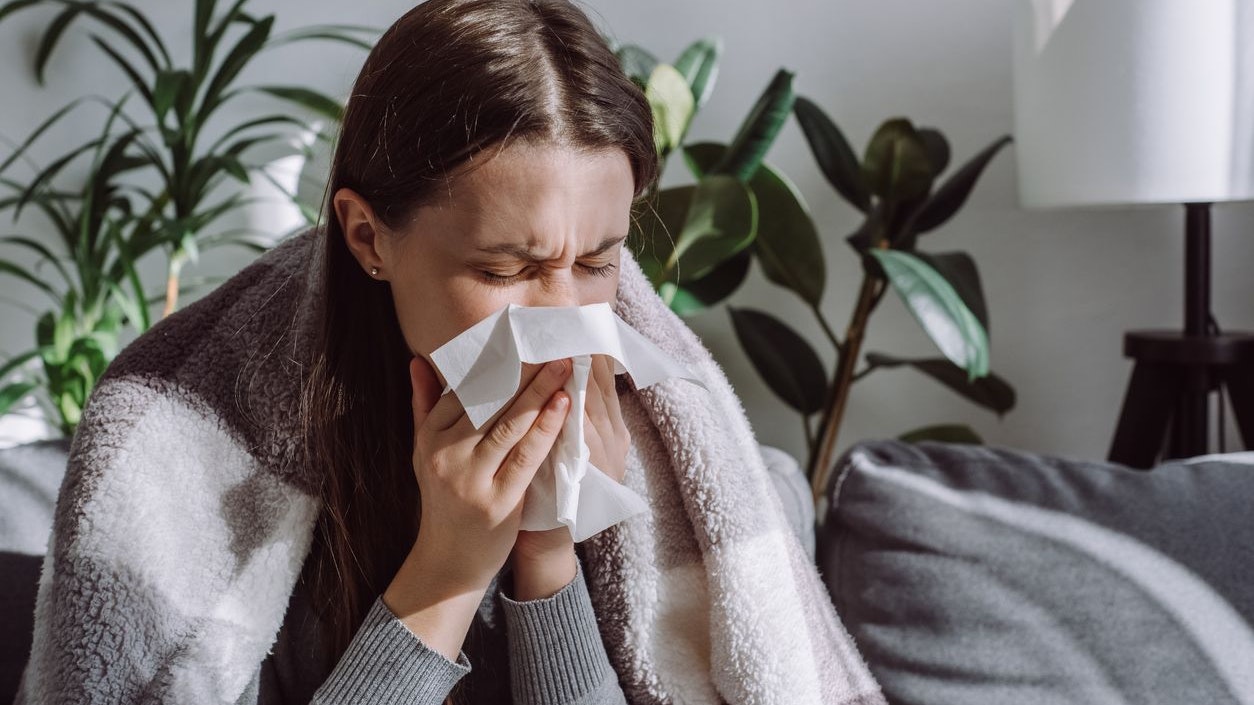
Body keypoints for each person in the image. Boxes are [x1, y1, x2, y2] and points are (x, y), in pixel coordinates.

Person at [291, 0, 654, 701]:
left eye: (597, 265)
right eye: (503, 271)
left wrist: (546, 543)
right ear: (368, 238)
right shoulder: (220, 460)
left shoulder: (643, 431)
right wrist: (448, 567)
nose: (564, 318)